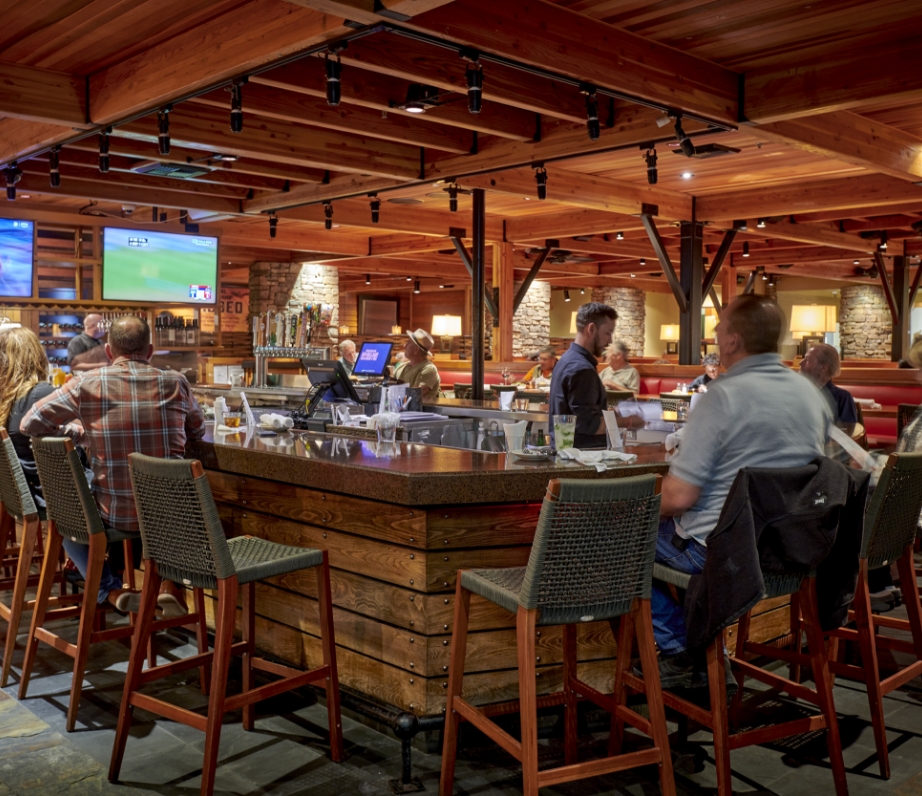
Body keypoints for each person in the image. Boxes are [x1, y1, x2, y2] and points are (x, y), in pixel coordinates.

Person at [652, 295, 832, 687]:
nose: (715, 335)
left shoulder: (722, 396)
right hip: (788, 552)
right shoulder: (810, 395)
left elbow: (680, 497)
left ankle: (679, 652)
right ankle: (705, 656)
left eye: (719, 328)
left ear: (732, 340)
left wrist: (632, 509)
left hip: (724, 555)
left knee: (616, 540)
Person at [22, 315, 206, 617]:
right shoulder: (176, 382)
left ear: (108, 351)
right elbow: (197, 432)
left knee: (70, 529)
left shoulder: (86, 384)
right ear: (150, 351)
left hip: (114, 515)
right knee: (178, 508)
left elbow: (32, 423)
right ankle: (171, 584)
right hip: (172, 519)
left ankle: (110, 589)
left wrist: (78, 433)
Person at [548, 303, 642, 448]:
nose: (610, 340)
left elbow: (578, 412)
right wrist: (629, 421)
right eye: (608, 333)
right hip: (583, 457)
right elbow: (588, 425)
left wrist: (613, 413)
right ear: (591, 329)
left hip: (565, 452)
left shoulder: (566, 360)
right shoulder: (582, 369)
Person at [0, 327, 56, 507]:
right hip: (47, 493)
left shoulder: (7, 397)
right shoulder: (42, 394)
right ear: (38, 356)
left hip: (16, 491)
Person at [799, 343, 858, 426]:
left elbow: (846, 433)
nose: (800, 363)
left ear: (823, 367)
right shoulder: (796, 392)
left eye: (807, 359)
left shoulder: (842, 398)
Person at [394, 329, 440, 397]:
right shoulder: (401, 366)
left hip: (421, 407)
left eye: (408, 343)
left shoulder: (429, 369)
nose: (404, 346)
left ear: (416, 349)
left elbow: (415, 394)